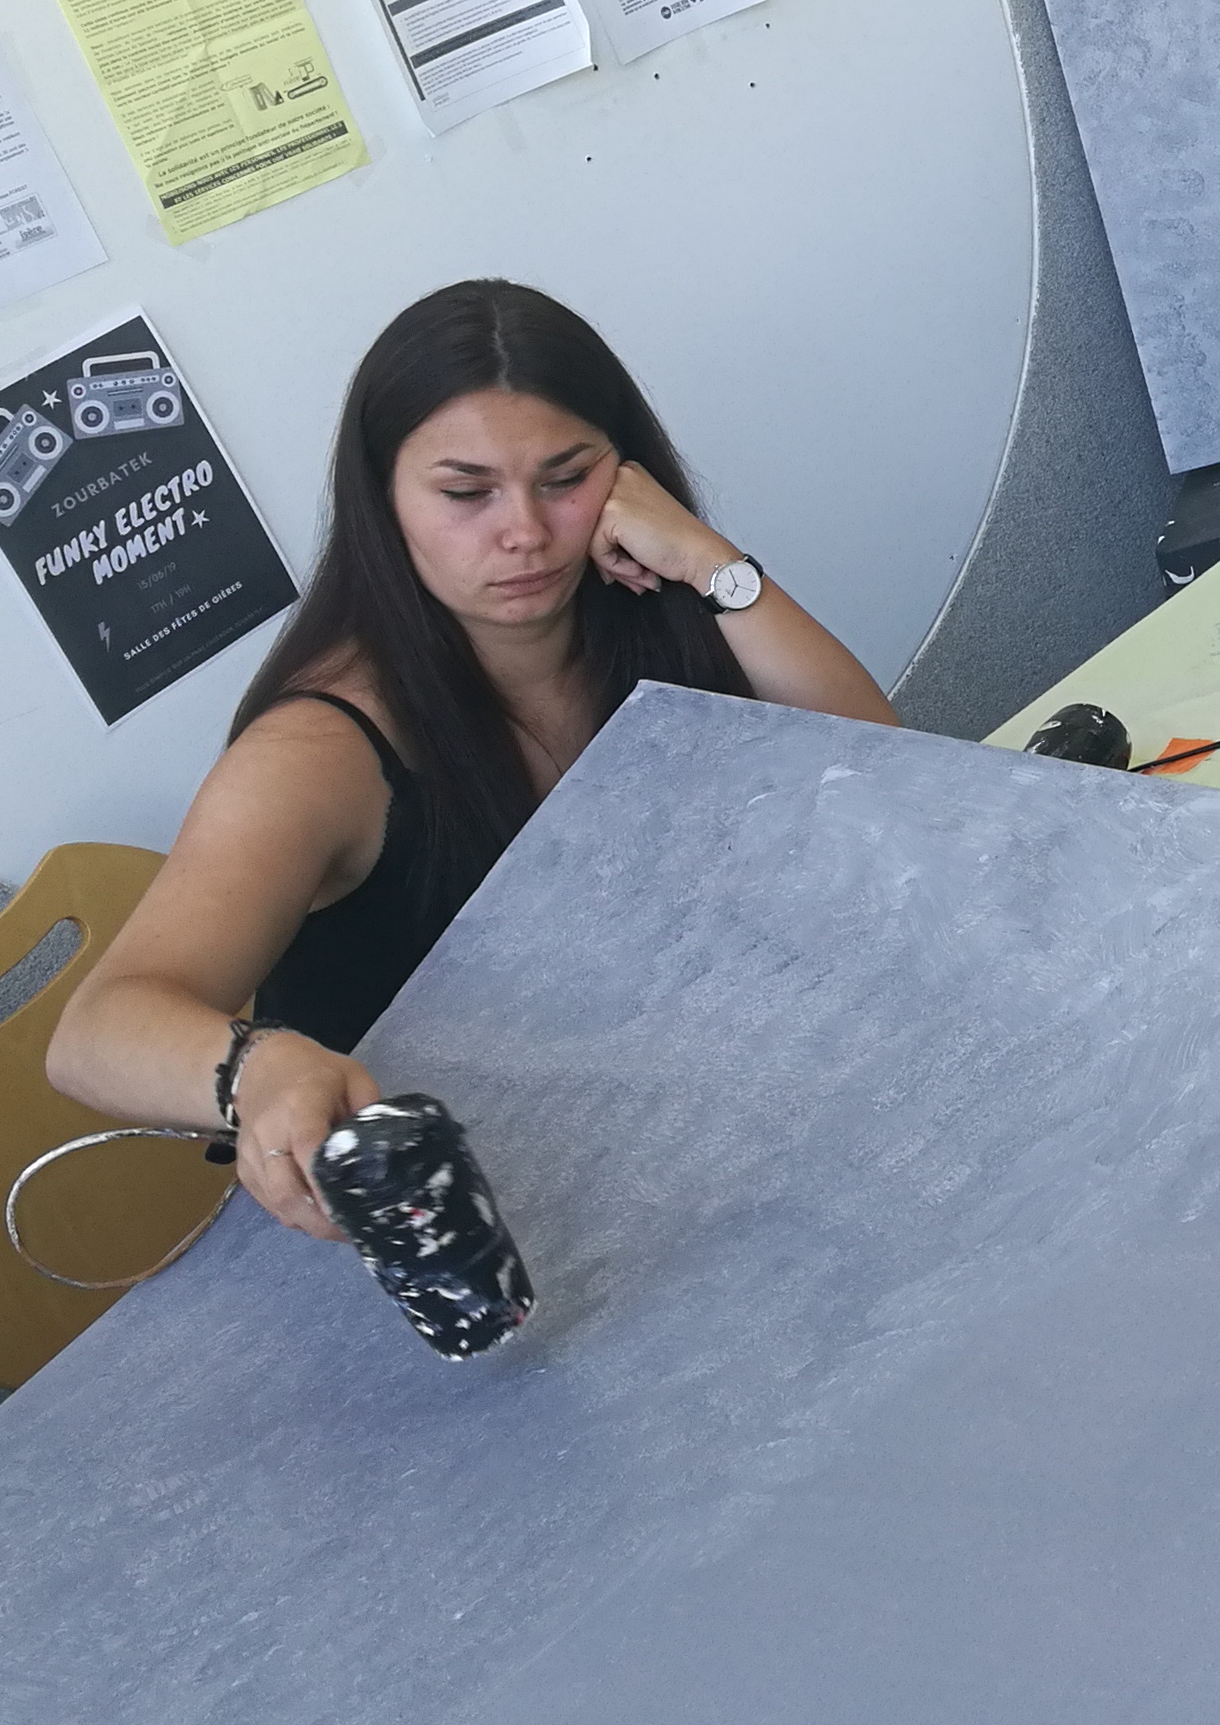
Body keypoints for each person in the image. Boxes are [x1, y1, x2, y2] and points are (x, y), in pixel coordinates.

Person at [47, 280, 896, 1243]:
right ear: (384, 500)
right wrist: (260, 1066)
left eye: (566, 479)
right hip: (461, 1221)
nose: (525, 532)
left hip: (662, 1123)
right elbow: (94, 1033)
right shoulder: (315, 751)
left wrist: (709, 562)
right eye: (465, 493)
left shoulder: (642, 607)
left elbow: (882, 761)